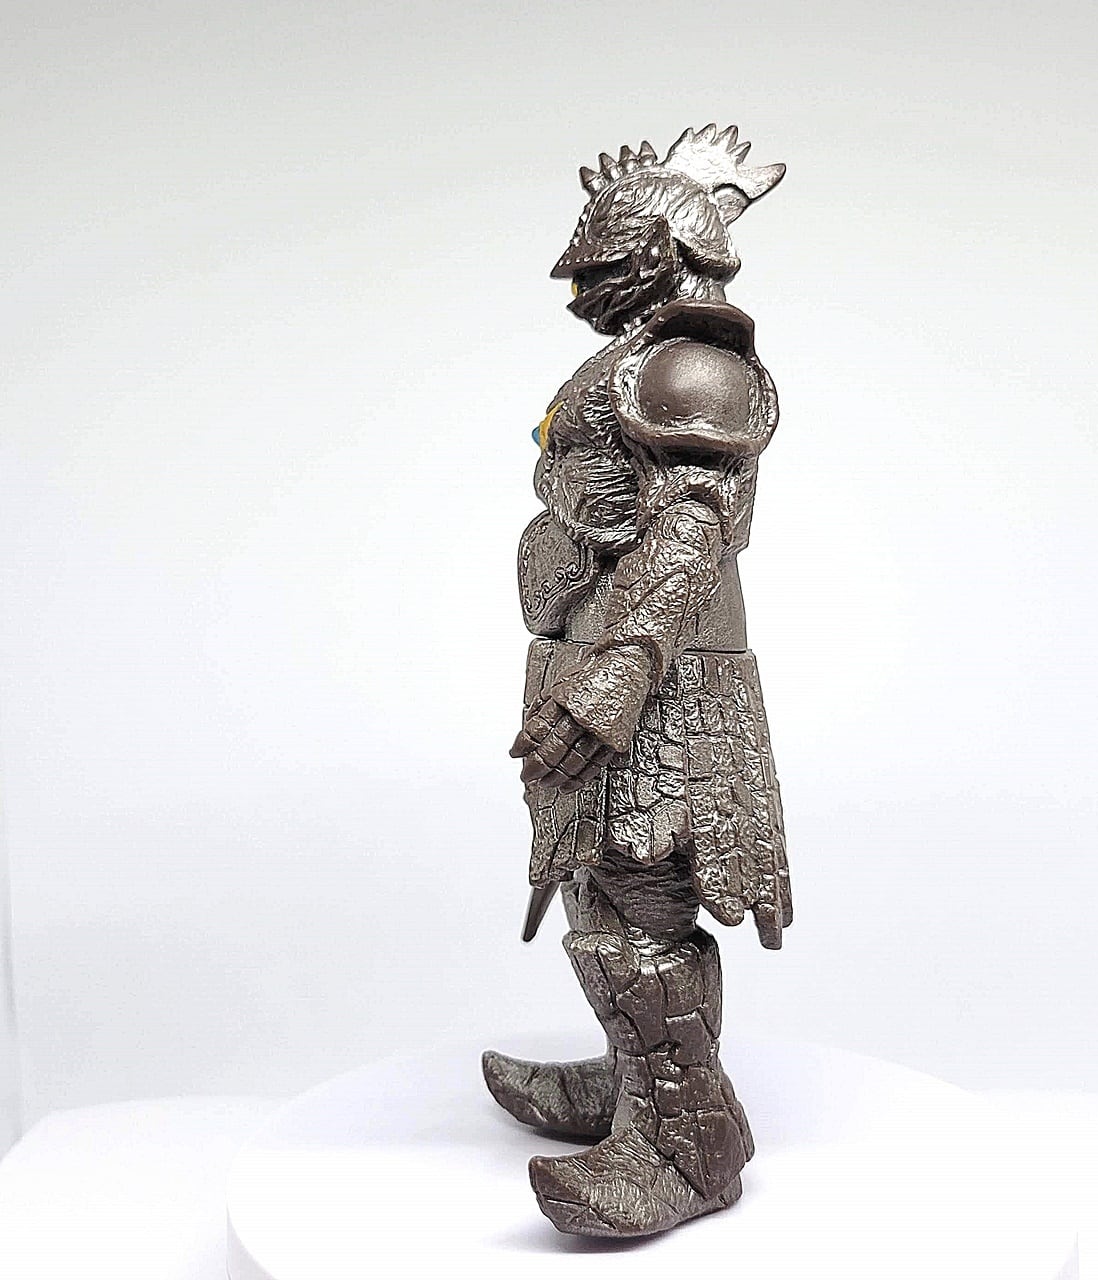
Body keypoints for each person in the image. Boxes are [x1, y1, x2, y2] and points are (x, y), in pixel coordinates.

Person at [484, 124, 791, 1238]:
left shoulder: (690, 364)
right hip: (601, 659)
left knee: (637, 895)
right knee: (596, 885)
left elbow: (693, 527)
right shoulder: (633, 355)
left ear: (665, 251)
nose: (580, 284)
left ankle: (684, 1143)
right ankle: (638, 1079)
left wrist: (618, 670)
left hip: (660, 684)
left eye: (608, 260)